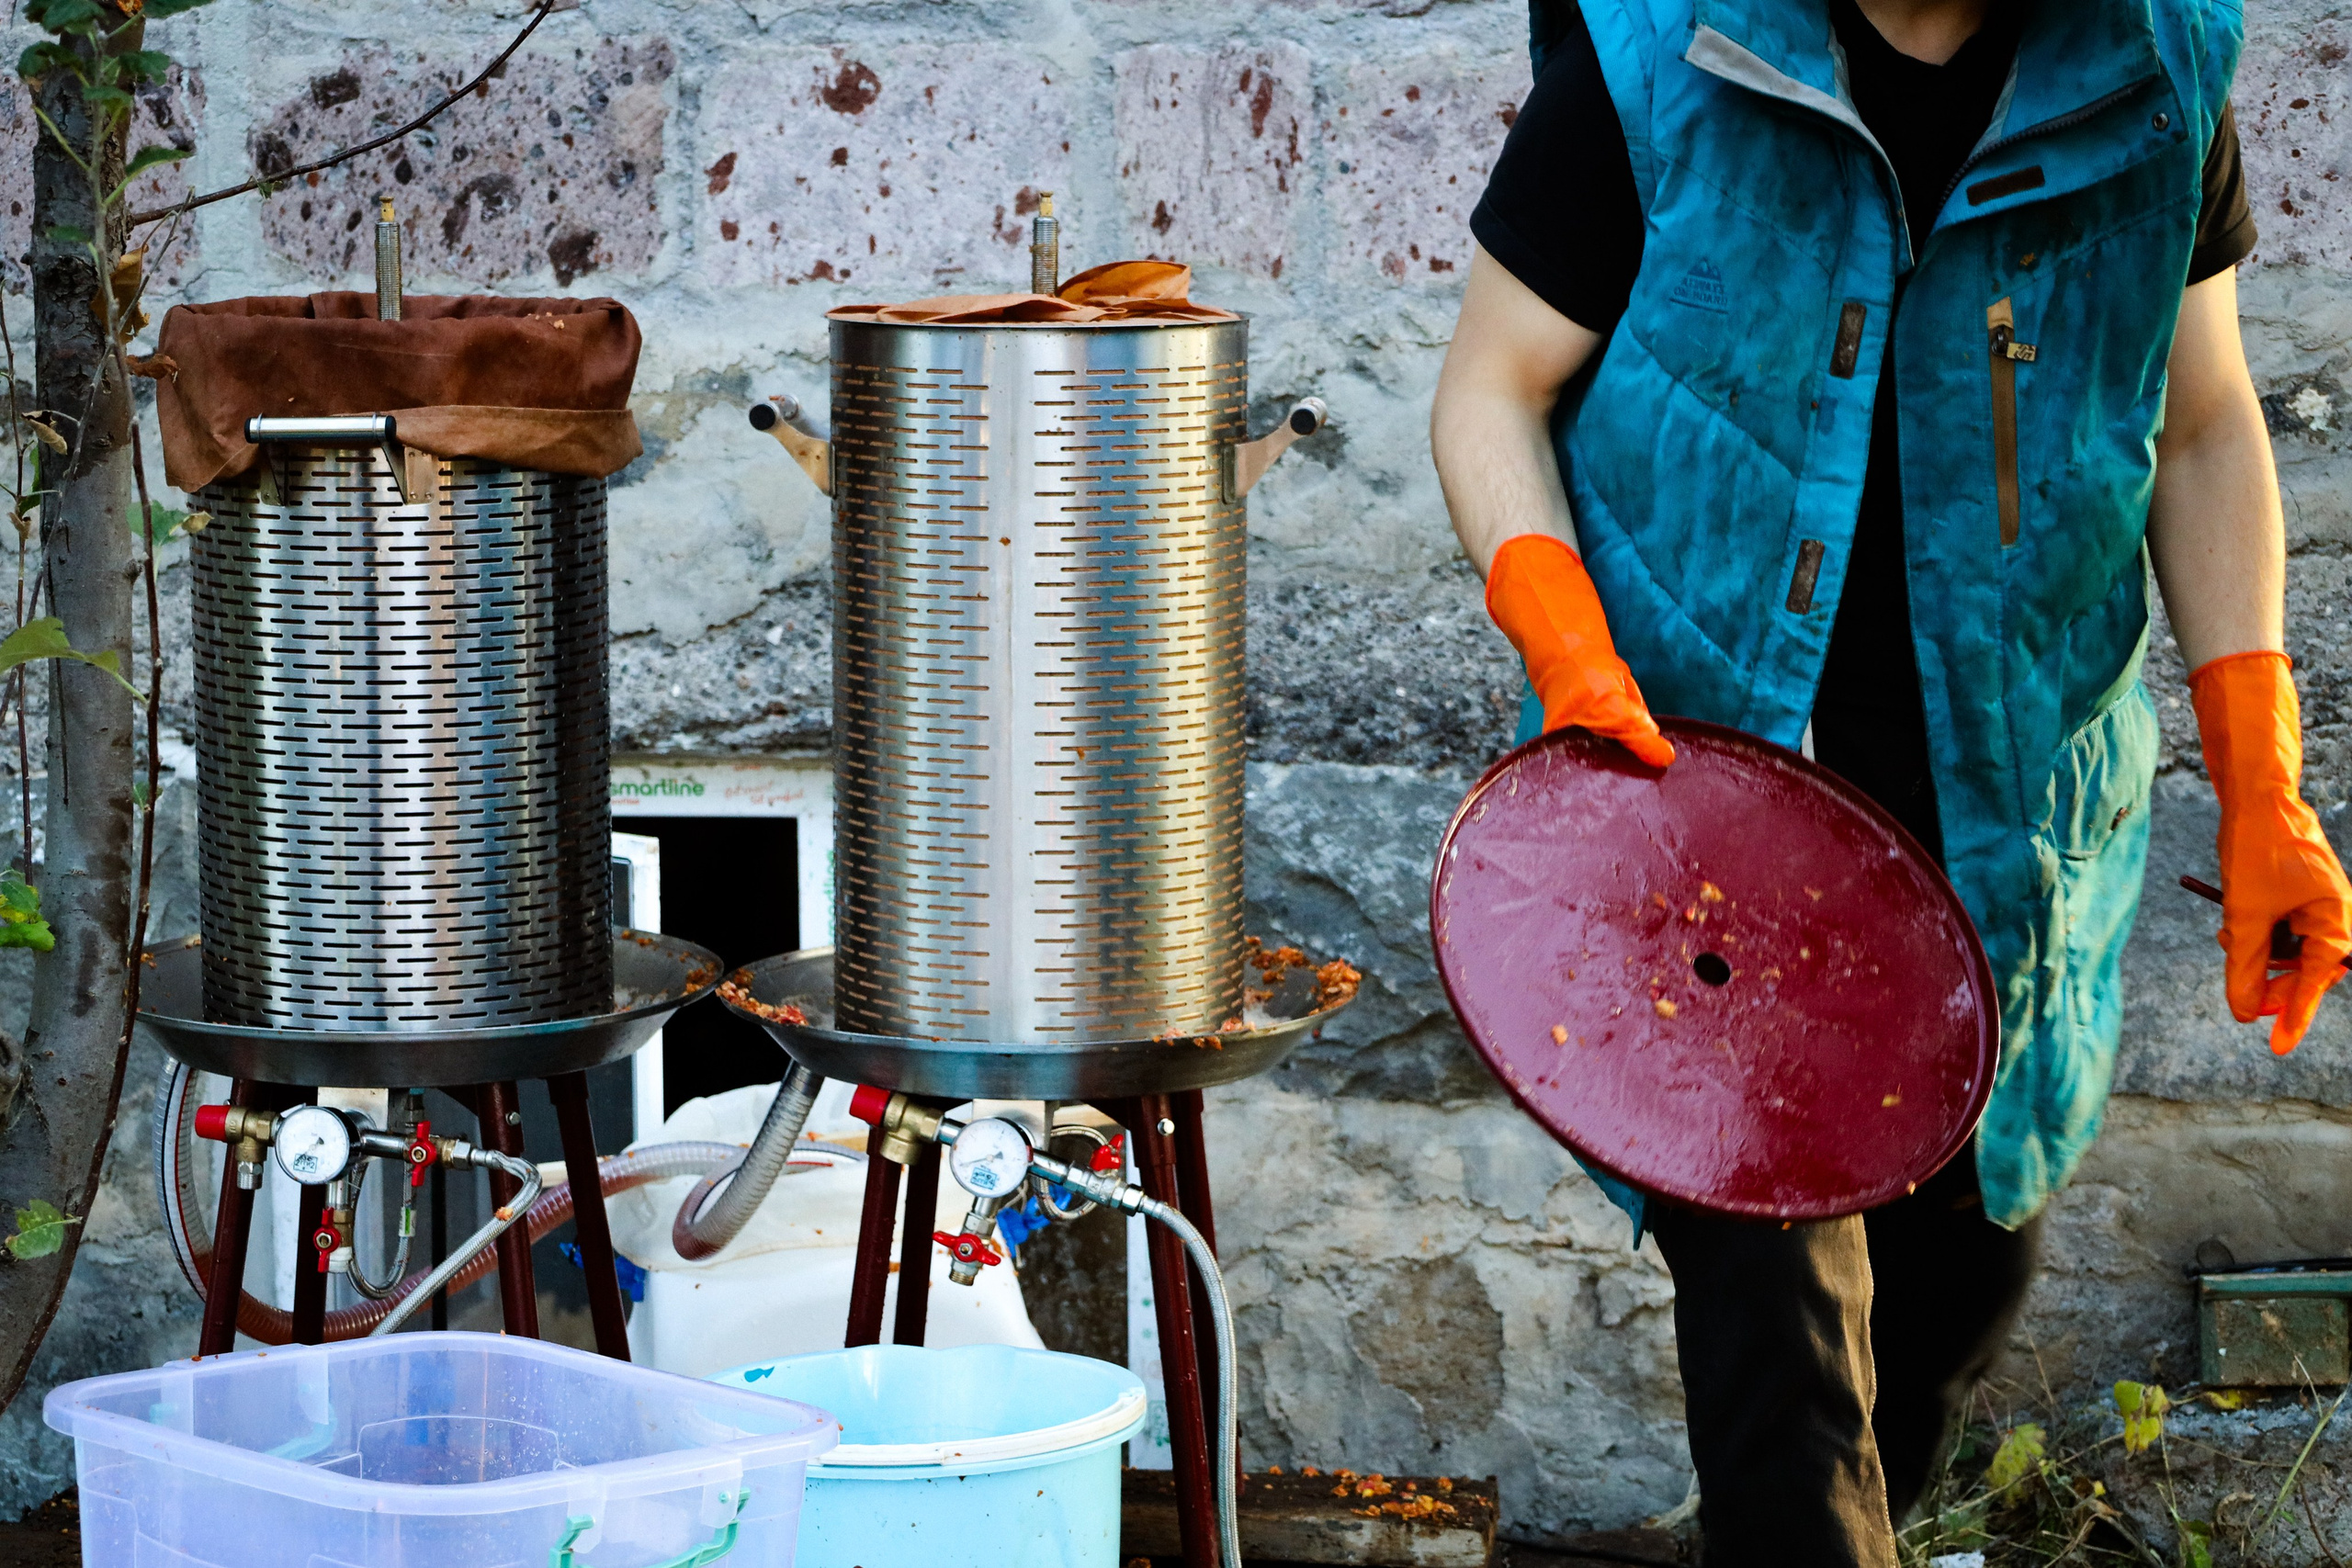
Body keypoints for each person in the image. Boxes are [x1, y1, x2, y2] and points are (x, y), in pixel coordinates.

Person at [1429, 0, 2352, 1561]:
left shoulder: (2157, 62)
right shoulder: (1658, 50)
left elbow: (2200, 426)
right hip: (1717, 814)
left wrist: (2265, 785)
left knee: (1949, 1295)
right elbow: (1492, 389)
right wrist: (1572, 655)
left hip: (2005, 814)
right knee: (1785, 1369)